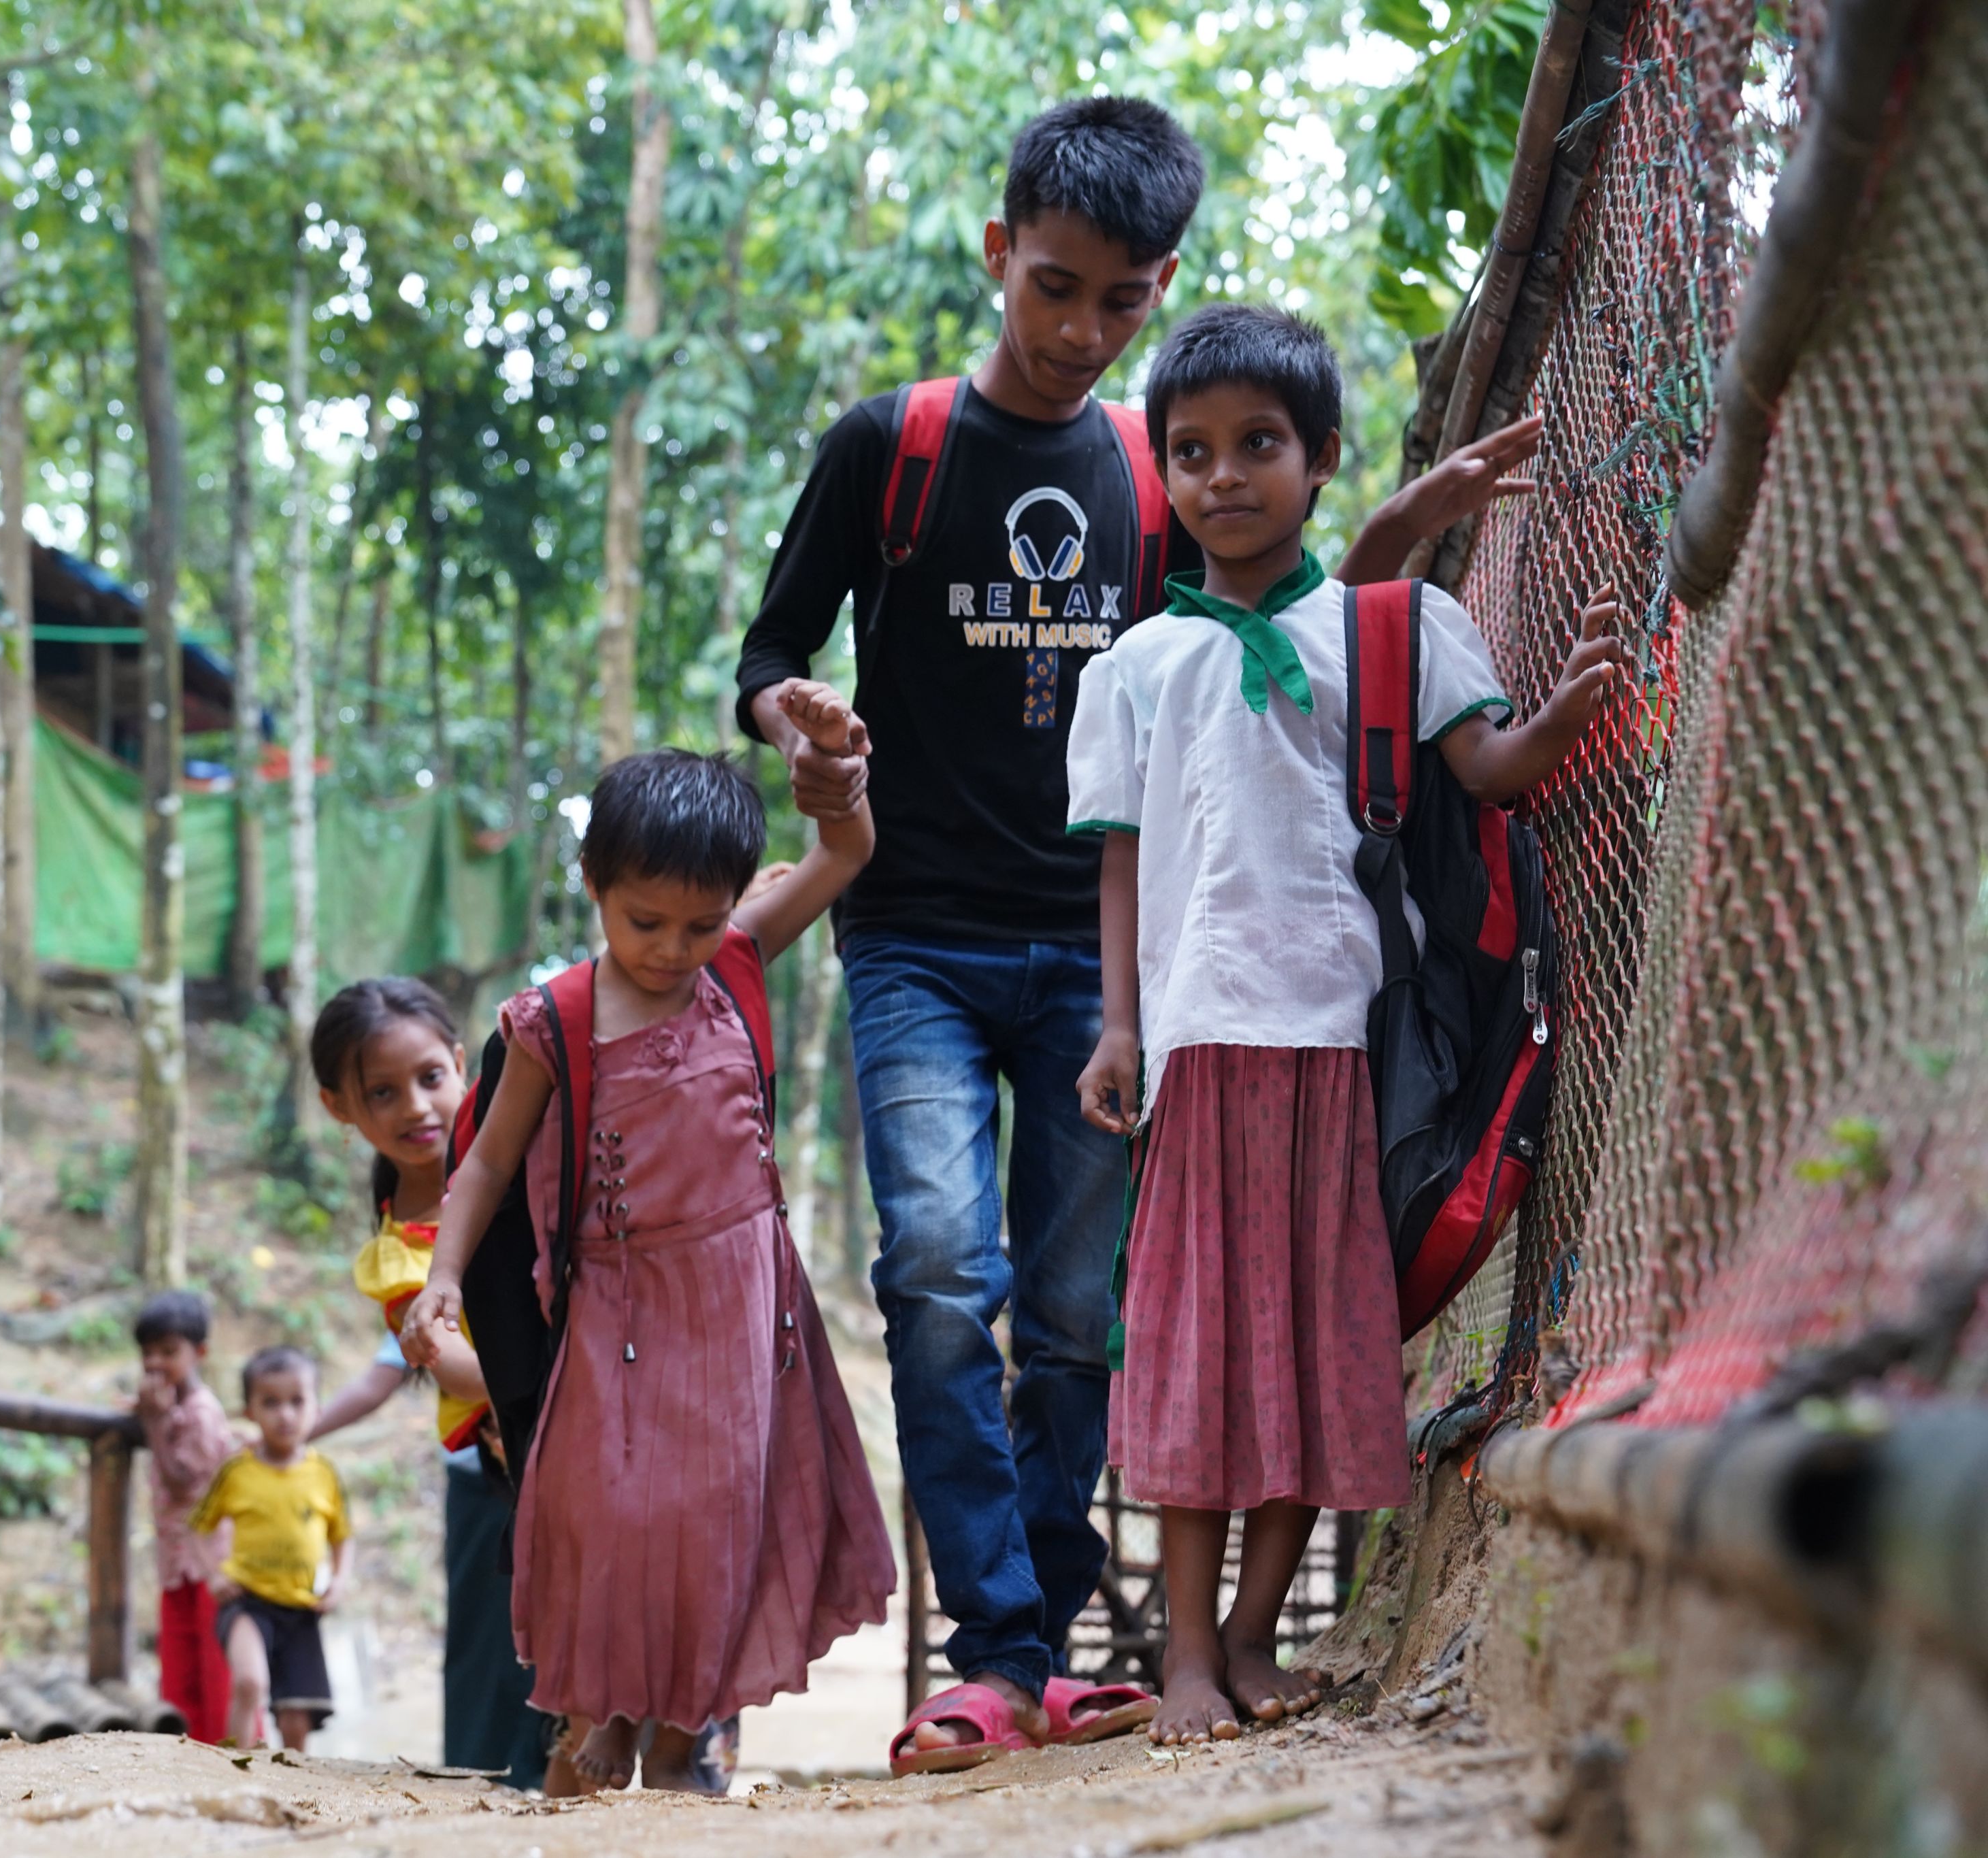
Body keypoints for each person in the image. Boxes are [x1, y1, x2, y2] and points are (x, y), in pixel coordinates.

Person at [731, 96, 1555, 1765]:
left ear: (1160, 284)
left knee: (1080, 1308)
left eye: (1121, 302)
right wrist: (797, 712)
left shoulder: (1151, 465)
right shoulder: (886, 447)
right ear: (997, 257)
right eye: (1053, 289)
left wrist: (1403, 541)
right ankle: (1000, 1644)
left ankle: (1051, 1640)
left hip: (1130, 963)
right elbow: (765, 654)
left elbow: (1289, 621)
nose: (1081, 332)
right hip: (918, 937)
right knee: (940, 1271)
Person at [1067, 305, 1626, 1742]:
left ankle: (1255, 1637)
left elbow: (1485, 767)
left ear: (1318, 460)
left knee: (1319, 1344)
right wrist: (1115, 1028)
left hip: (1343, 1049)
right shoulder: (1132, 671)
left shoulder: (1396, 627)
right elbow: (1122, 859)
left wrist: (1557, 718)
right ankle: (1183, 1658)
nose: (1222, 476)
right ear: (1160, 477)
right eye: (1188, 452)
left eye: (1258, 444)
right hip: (1197, 1052)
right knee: (1196, 1348)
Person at [401, 720, 895, 1795]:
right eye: (644, 921)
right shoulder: (555, 1020)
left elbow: (844, 853)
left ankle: (683, 1744)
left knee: (722, 1518)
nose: (672, 948)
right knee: (611, 1516)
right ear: (592, 883)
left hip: (741, 1306)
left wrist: (837, 771)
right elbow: (482, 1164)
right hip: (616, 1316)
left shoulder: (736, 959)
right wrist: (442, 1274)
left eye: (699, 922)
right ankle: (595, 1720)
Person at [303, 976, 554, 1789]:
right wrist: (558, 1383)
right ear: (340, 1107)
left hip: (573, 1446)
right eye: (382, 1091)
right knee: (498, 1665)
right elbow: (446, 1364)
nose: (415, 1106)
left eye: (429, 1078)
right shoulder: (395, 1254)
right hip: (495, 1468)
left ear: (460, 1064)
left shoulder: (526, 1156)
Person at [191, 1344, 353, 1751]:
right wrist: (214, 1573)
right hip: (247, 1602)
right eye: (271, 1403)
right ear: (250, 1410)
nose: (285, 1415)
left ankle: (294, 1800)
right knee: (249, 1684)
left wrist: (338, 1583)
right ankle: (237, 1778)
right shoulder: (237, 1471)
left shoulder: (324, 1474)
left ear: (316, 1408)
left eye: (297, 1402)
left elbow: (342, 1536)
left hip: (301, 1608)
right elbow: (198, 1527)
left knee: (295, 1717)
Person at [131, 1288, 235, 1744]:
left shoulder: (202, 1413)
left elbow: (180, 1480)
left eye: (169, 1351)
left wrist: (153, 1423)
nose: (156, 1362)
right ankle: (190, 1761)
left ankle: (234, 1760)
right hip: (177, 1564)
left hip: (211, 1564)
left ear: (200, 1352)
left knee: (219, 1673)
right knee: (180, 1673)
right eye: (148, 1353)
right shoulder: (172, 1406)